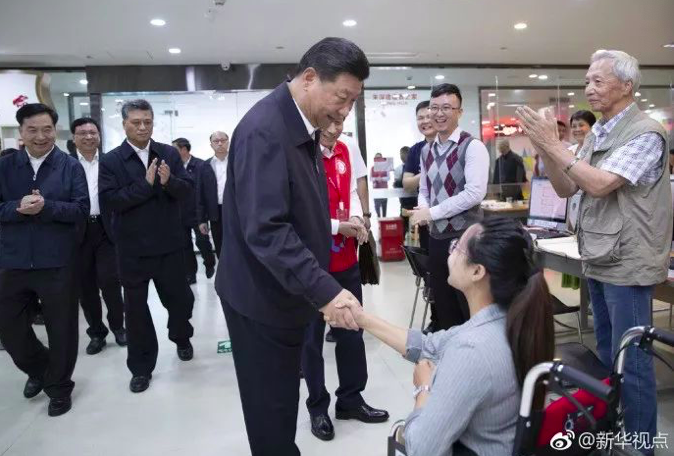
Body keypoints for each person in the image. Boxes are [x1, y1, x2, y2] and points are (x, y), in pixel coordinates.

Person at [215, 37, 369, 456]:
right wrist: (325, 291)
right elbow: (267, 229)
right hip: (260, 297)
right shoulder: (266, 130)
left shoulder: (301, 126)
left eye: (353, 102)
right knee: (272, 407)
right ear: (310, 78)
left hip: (286, 291)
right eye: (341, 97)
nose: (344, 111)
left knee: (283, 396)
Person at [517, 49, 671, 455]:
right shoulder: (600, 130)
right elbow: (568, 186)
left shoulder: (646, 133)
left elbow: (601, 183)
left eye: (598, 81)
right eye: (587, 80)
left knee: (632, 361)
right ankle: (611, 430)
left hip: (628, 262)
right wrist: (546, 149)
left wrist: (554, 144)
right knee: (607, 356)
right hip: (600, 255)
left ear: (627, 86)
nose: (589, 88)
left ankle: (640, 446)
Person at [339, 217, 554, 455]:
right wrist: (362, 318)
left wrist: (423, 389)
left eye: (457, 248)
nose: (450, 253)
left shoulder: (471, 350)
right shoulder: (508, 320)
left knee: (402, 432)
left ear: (477, 271)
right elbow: (428, 345)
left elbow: (421, 448)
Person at [99, 99, 196, 394]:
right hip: (132, 250)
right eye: (136, 122)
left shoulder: (168, 153)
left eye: (147, 122)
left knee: (180, 301)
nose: (142, 127)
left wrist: (169, 182)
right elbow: (111, 201)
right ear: (124, 124)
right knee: (136, 312)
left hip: (169, 245)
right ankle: (141, 368)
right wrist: (146, 184)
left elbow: (187, 189)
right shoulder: (112, 160)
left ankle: (181, 336)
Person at [301, 119, 388, 442]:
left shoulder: (346, 147)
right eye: (328, 122)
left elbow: (352, 188)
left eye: (339, 122)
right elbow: (298, 211)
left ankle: (351, 399)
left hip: (344, 258)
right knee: (311, 337)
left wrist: (355, 216)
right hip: (310, 262)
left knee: (352, 329)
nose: (334, 129)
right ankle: (317, 406)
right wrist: (338, 226)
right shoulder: (299, 153)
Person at [0, 103, 89, 417]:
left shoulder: (70, 166)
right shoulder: (5, 167)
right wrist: (17, 208)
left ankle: (59, 387)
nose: (40, 136)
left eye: (47, 129)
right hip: (12, 261)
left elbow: (81, 210)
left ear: (55, 130)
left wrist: (46, 206)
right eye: (32, 130)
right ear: (21, 132)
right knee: (9, 328)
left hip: (58, 262)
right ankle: (40, 368)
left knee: (62, 328)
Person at [408, 83, 490, 332]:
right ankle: (449, 351)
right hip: (436, 238)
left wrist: (431, 212)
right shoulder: (426, 150)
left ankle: (475, 353)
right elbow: (424, 189)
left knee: (469, 306)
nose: (439, 113)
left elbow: (474, 193)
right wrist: (423, 210)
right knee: (443, 305)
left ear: (459, 112)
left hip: (465, 239)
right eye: (434, 108)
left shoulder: (472, 146)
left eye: (446, 108)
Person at [70, 117, 126, 355]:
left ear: (99, 136)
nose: (88, 137)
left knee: (111, 282)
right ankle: (96, 333)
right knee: (86, 288)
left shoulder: (110, 162)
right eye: (82, 133)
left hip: (106, 230)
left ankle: (119, 327)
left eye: (93, 132)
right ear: (74, 138)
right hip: (78, 232)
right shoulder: (67, 164)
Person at [562, 110, 598, 290]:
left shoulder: (597, 150)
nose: (577, 129)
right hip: (571, 203)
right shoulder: (568, 151)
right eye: (574, 126)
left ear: (592, 127)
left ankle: (589, 295)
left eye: (581, 125)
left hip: (591, 204)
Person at [172, 137, 216, 283]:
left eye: (175, 149)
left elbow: (207, 190)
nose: (172, 152)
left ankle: (209, 262)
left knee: (202, 242)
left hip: (198, 212)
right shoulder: (173, 167)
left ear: (184, 149)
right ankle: (190, 274)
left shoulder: (201, 165)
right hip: (180, 212)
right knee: (185, 245)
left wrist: (206, 213)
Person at [403, 101, 435, 250]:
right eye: (420, 118)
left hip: (451, 218)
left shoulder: (453, 147)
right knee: (429, 258)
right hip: (424, 216)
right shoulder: (416, 150)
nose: (425, 121)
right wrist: (428, 172)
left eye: (428, 117)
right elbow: (407, 184)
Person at [198, 131, 229, 259]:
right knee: (220, 245)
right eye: (216, 141)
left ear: (228, 142)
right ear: (211, 145)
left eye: (223, 140)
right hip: (215, 212)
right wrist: (202, 220)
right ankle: (224, 270)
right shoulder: (204, 166)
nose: (220, 143)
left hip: (236, 210)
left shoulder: (237, 162)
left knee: (239, 244)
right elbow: (200, 194)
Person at [370, 152, 390, 217]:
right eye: (376, 158)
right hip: (376, 190)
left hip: (384, 189)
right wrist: (376, 179)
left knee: (384, 207)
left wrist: (382, 179)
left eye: (379, 158)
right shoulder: (372, 168)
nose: (378, 159)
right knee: (377, 207)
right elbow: (370, 178)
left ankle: (384, 220)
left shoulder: (386, 167)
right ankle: (379, 219)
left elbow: (388, 178)